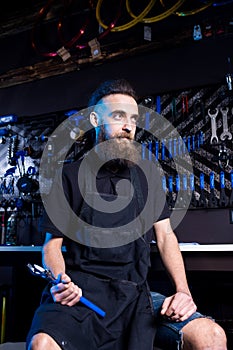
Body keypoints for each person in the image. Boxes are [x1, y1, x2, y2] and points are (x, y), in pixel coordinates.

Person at [26, 79, 227, 350]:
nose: (128, 125)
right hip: (83, 295)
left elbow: (166, 236)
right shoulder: (67, 177)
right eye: (119, 116)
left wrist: (183, 292)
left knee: (211, 336)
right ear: (96, 119)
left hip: (136, 297)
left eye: (133, 118)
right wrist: (62, 281)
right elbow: (52, 247)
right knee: (42, 345)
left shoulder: (148, 177)